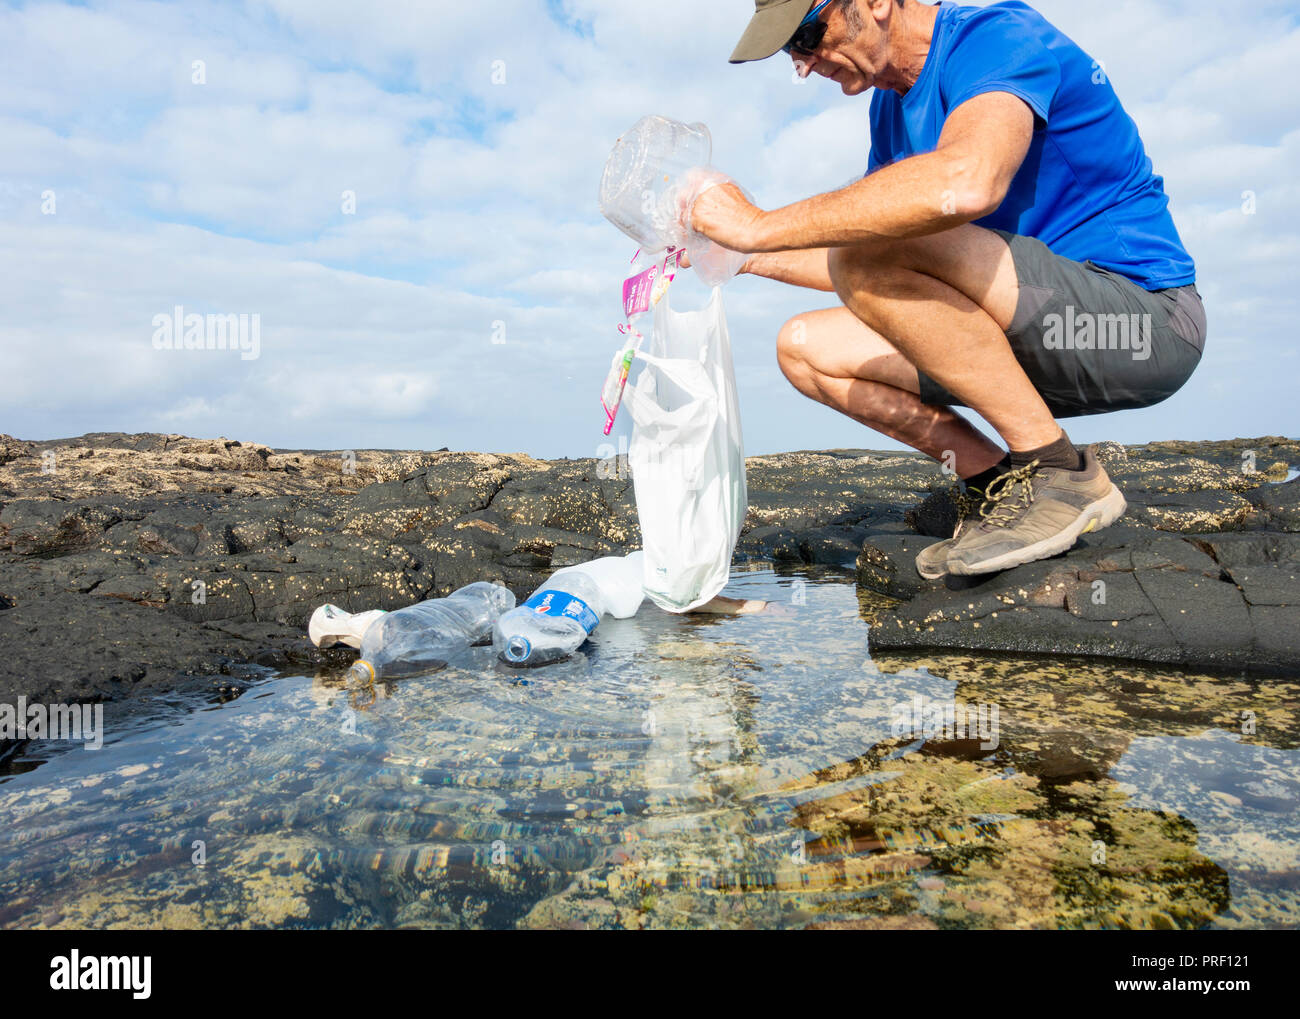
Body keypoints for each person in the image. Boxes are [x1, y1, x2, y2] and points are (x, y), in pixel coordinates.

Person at [689, 0, 1205, 578]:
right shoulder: (888, 111)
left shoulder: (997, 37)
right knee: (805, 348)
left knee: (879, 242)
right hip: (1025, 337)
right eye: (791, 52)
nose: (803, 64)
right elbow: (862, 262)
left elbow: (967, 182)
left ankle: (1061, 474)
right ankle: (1000, 486)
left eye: (807, 34)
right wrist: (742, 254)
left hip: (1140, 326)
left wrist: (758, 223)